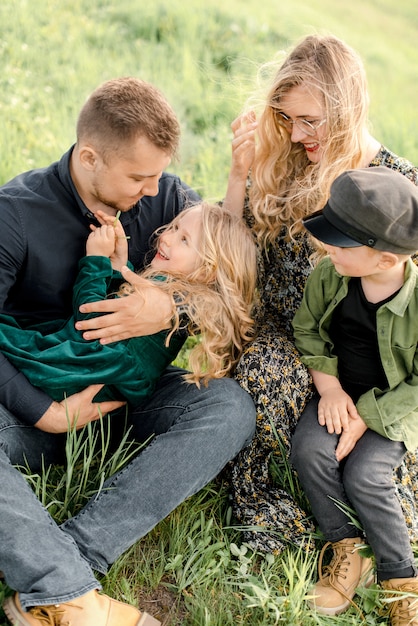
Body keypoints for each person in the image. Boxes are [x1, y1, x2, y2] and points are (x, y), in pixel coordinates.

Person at [0, 77, 256, 626]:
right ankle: (67, 592)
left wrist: (171, 309)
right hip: (36, 401)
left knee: (229, 406)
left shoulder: (162, 196)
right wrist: (44, 412)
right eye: (139, 176)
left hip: (125, 400)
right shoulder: (14, 215)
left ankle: (69, 568)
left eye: (160, 173)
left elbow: (224, 268)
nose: (154, 191)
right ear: (90, 157)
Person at [222, 33, 418, 555]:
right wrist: (240, 173)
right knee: (261, 372)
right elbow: (234, 249)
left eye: (311, 120)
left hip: (375, 363)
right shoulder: (286, 162)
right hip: (289, 337)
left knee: (382, 470)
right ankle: (291, 516)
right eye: (286, 118)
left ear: (348, 109)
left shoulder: (396, 190)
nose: (296, 133)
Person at [291, 166, 418, 624]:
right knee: (310, 449)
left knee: (365, 474)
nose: (326, 247)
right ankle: (346, 546)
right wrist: (328, 388)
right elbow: (307, 330)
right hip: (340, 390)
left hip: (395, 406)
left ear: (385, 259)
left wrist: (366, 416)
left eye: (341, 241)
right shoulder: (330, 274)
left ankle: (400, 579)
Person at [0, 203, 257, 406]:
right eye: (175, 227)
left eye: (184, 240)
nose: (167, 237)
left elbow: (90, 322)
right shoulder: (184, 297)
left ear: (207, 271)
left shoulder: (158, 293)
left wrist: (96, 261)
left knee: (11, 341)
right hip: (110, 384)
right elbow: (118, 307)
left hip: (82, 374)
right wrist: (119, 266)